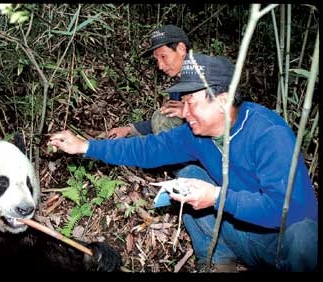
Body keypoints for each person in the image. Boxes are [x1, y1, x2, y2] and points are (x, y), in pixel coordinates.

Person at [47, 53, 318, 272]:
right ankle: (217, 259)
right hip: (239, 235)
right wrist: (86, 146)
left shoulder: (269, 134)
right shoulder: (195, 134)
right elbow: (148, 148)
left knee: (304, 234)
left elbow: (285, 211)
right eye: (183, 102)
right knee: (189, 175)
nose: (184, 112)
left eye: (191, 102)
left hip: (278, 247)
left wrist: (217, 198)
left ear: (222, 101)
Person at [106, 24, 190, 139]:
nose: (160, 66)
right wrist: (129, 129)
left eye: (163, 56)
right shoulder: (179, 86)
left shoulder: (209, 78)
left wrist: (189, 111)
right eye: (157, 59)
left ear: (181, 49)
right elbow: (167, 121)